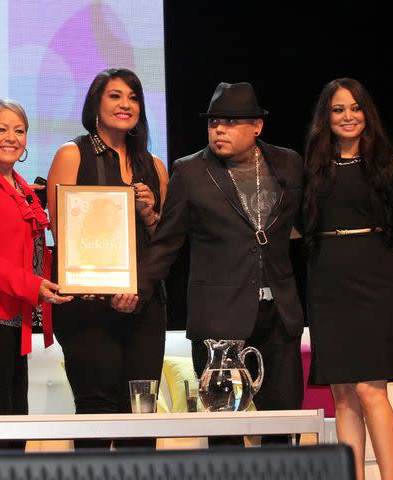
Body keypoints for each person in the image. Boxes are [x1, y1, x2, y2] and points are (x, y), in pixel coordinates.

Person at [141, 82, 305, 436]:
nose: (219, 129)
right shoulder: (190, 171)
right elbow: (167, 243)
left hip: (278, 315)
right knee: (225, 433)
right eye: (214, 122)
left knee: (284, 428)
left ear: (257, 126)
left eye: (230, 122)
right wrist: (135, 289)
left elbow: (306, 223)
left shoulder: (288, 164)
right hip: (220, 324)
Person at [302, 78, 393, 480]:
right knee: (344, 395)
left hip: (376, 280)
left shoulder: (391, 163)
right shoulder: (313, 166)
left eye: (355, 108)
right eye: (338, 109)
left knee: (372, 390)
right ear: (326, 117)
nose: (348, 116)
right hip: (327, 283)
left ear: (366, 113)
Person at [47, 68, 169, 447]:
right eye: (115, 96)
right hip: (88, 306)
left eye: (133, 97)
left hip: (144, 307)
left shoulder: (156, 166)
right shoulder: (72, 154)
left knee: (140, 417)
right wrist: (104, 284)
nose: (125, 104)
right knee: (97, 414)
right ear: (96, 106)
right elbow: (60, 230)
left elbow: (165, 242)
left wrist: (150, 214)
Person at [0, 99, 72, 450]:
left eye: (19, 130)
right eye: (1, 129)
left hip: (11, 315)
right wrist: (34, 286)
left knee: (14, 421)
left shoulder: (18, 183)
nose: (11, 138)